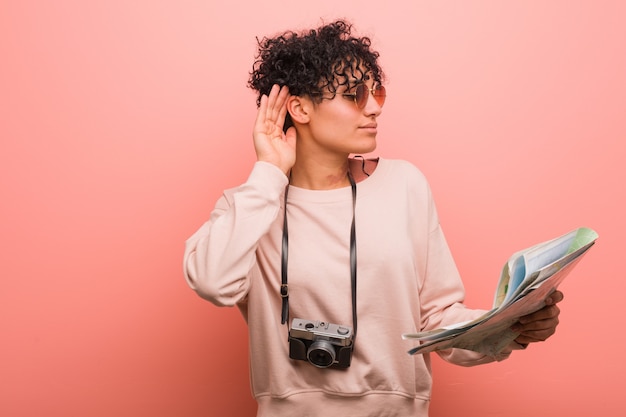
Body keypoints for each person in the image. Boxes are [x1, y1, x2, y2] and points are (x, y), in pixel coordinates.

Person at [183, 20, 563, 417]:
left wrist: (511, 326)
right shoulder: (250, 205)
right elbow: (212, 282)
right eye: (354, 95)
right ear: (300, 108)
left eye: (376, 92)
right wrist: (269, 172)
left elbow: (436, 320)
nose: (374, 107)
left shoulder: (404, 185)